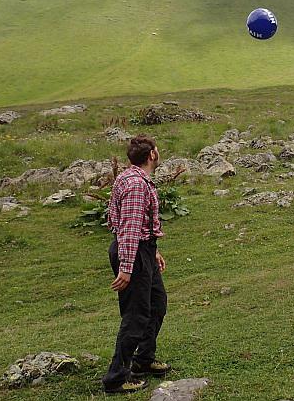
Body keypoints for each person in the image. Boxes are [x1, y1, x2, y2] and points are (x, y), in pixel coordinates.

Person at [102, 135, 171, 394]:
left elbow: (137, 223)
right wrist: (127, 267)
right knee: (136, 315)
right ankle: (116, 378)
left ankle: (143, 360)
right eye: (157, 149)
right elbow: (129, 228)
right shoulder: (136, 185)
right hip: (133, 253)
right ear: (152, 154)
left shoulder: (131, 178)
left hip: (143, 250)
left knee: (157, 303)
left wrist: (153, 251)